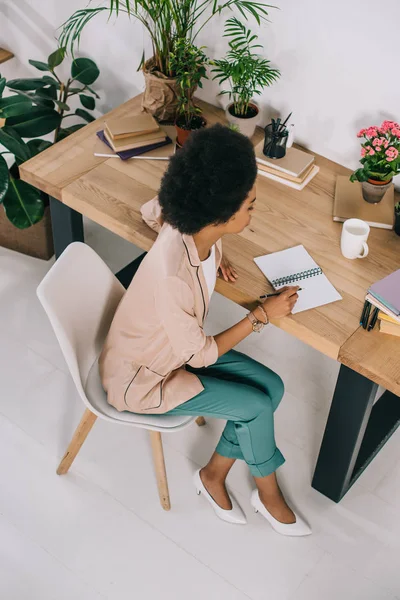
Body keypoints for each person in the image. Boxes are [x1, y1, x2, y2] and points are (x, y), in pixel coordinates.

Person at [99, 124, 311, 536]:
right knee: (256, 406)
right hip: (143, 379)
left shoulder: (183, 216)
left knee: (274, 387)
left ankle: (213, 475)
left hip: (167, 350)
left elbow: (152, 210)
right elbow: (200, 356)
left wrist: (216, 251)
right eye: (249, 206)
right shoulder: (173, 278)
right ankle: (268, 494)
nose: (253, 213)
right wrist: (261, 315)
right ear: (219, 214)